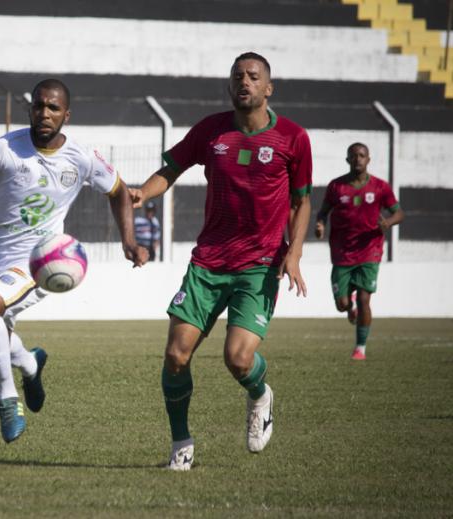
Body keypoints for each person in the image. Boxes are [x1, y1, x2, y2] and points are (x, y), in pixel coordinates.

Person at [0, 78, 148, 443]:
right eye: (39, 106)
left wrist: (128, 241)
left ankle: (7, 400)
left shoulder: (81, 158)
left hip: (39, 259)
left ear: (67, 114)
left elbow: (119, 192)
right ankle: (31, 364)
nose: (44, 113)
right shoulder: (4, 148)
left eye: (53, 108)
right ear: (30, 109)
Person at [130, 52, 313, 470]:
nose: (244, 82)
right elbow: (170, 169)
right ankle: (181, 445)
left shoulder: (292, 138)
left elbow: (303, 202)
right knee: (176, 355)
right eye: (237, 76)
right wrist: (143, 192)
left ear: (268, 88)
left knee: (238, 359)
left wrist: (295, 253)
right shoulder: (211, 130)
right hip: (208, 262)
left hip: (259, 265)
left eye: (253, 76)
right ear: (230, 86)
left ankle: (260, 394)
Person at [314, 142, 404, 361]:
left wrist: (388, 222)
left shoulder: (380, 187)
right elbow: (322, 212)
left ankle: (360, 349)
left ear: (368, 159)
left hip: (369, 251)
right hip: (342, 252)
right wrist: (320, 224)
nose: (358, 159)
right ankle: (348, 307)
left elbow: (399, 213)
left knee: (365, 299)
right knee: (341, 304)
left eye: (362, 155)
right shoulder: (336, 187)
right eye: (353, 156)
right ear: (347, 160)